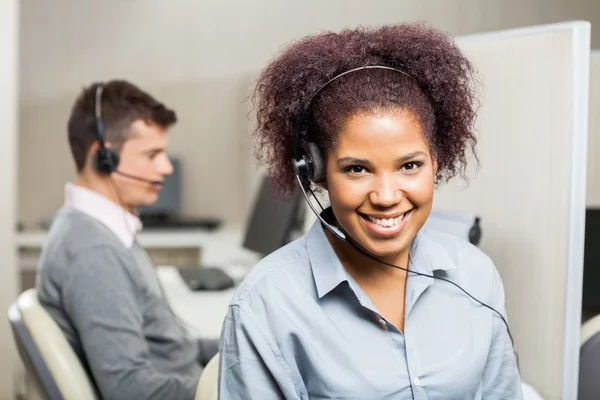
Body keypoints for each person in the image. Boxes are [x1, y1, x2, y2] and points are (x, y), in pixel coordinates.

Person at [218, 23, 523, 399]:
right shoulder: (267, 302)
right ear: (317, 173)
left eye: (409, 165)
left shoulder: (475, 276)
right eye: (356, 169)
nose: (386, 196)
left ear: (435, 162)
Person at [35, 80, 218, 400]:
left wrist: (248, 345)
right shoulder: (92, 252)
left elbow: (173, 347)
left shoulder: (106, 230)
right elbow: (129, 390)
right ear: (103, 157)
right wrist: (234, 386)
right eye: (152, 155)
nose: (165, 167)